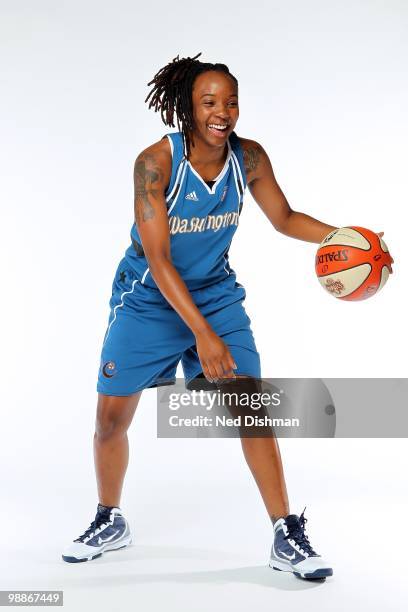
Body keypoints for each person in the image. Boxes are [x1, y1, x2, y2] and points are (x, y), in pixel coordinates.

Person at [62, 52, 338, 580]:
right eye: (209, 102)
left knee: (251, 406)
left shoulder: (248, 158)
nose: (223, 112)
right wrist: (203, 338)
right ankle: (108, 518)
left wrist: (345, 238)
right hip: (148, 298)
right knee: (111, 422)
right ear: (186, 108)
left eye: (231, 102)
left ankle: (286, 533)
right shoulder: (155, 164)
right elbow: (160, 261)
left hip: (215, 295)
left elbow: (283, 218)